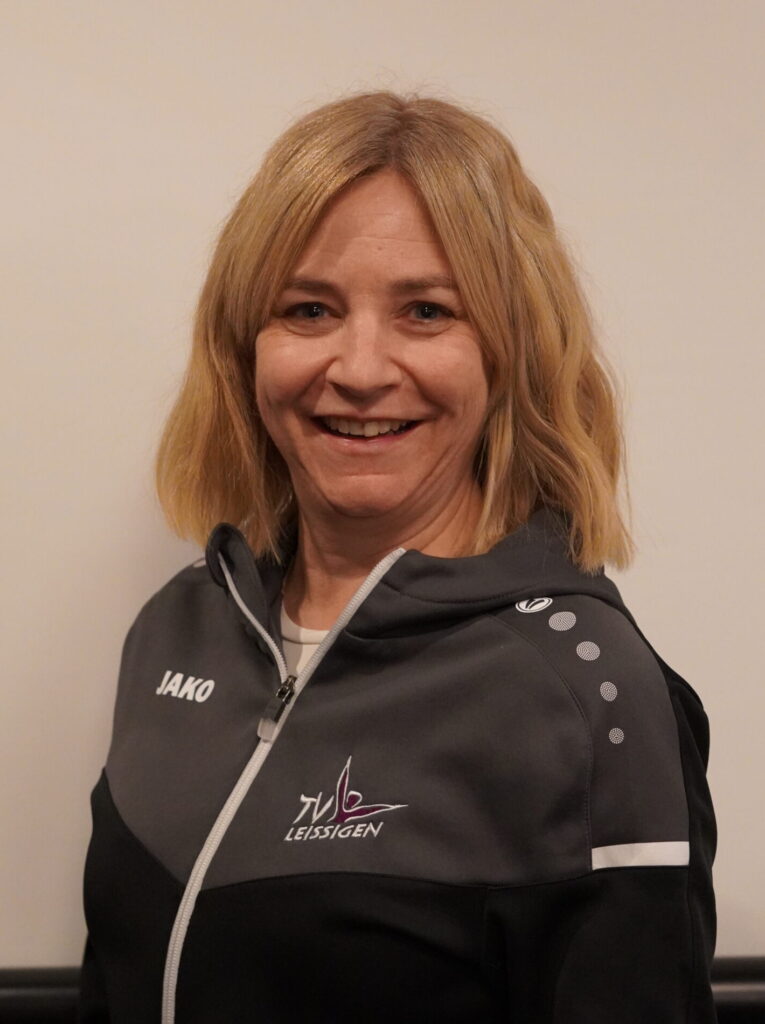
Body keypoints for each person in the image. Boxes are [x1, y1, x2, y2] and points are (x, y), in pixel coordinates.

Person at [78, 90, 717, 1023]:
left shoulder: (589, 694)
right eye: (308, 309)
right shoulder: (181, 627)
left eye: (424, 311)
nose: (361, 369)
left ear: (510, 353)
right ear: (242, 347)